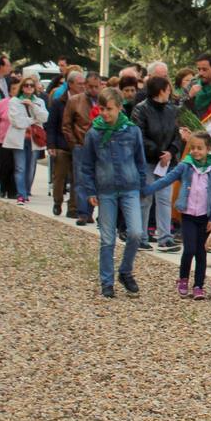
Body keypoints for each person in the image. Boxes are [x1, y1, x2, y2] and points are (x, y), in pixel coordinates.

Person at [76, 88, 146, 299]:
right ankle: (107, 281)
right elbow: (86, 165)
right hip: (105, 189)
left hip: (130, 187)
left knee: (136, 233)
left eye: (109, 109)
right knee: (107, 239)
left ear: (119, 108)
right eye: (102, 109)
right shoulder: (94, 134)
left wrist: (142, 185)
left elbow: (139, 160)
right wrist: (89, 190)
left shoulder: (132, 131)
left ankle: (125, 271)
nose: (105, 114)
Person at [143, 131, 211, 299]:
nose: (195, 151)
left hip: (204, 217)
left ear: (208, 149)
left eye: (199, 148)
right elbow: (167, 179)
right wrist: (148, 189)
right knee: (190, 249)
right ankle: (183, 279)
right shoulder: (185, 166)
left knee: (201, 252)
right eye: (192, 148)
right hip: (188, 215)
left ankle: (199, 285)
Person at [132, 75, 184, 252]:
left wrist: (171, 152)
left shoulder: (171, 110)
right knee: (145, 198)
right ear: (161, 91)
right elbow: (139, 135)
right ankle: (140, 237)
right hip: (147, 160)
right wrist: (157, 152)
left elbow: (177, 135)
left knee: (164, 199)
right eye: (168, 89)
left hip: (166, 162)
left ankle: (165, 237)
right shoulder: (141, 110)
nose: (170, 93)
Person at [63, 72, 103, 226]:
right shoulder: (75, 101)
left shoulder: (104, 101)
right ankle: (82, 213)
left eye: (96, 86)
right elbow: (66, 125)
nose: (93, 89)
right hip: (80, 144)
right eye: (90, 86)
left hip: (99, 146)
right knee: (80, 179)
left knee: (97, 179)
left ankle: (91, 210)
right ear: (85, 85)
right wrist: (74, 144)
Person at [3, 74, 49, 205]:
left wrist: (33, 106)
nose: (29, 88)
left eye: (31, 85)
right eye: (26, 85)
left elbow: (45, 117)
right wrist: (33, 120)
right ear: (22, 87)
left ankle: (27, 190)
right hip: (19, 138)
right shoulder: (14, 101)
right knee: (20, 167)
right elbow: (17, 121)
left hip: (34, 139)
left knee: (31, 167)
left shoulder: (39, 102)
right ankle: (21, 194)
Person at [47, 70, 82, 219]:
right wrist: (51, 145)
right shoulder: (58, 102)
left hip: (79, 145)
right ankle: (57, 201)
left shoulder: (84, 102)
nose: (82, 86)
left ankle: (73, 207)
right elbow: (52, 125)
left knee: (77, 177)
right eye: (79, 84)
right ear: (71, 84)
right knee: (59, 176)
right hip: (61, 145)